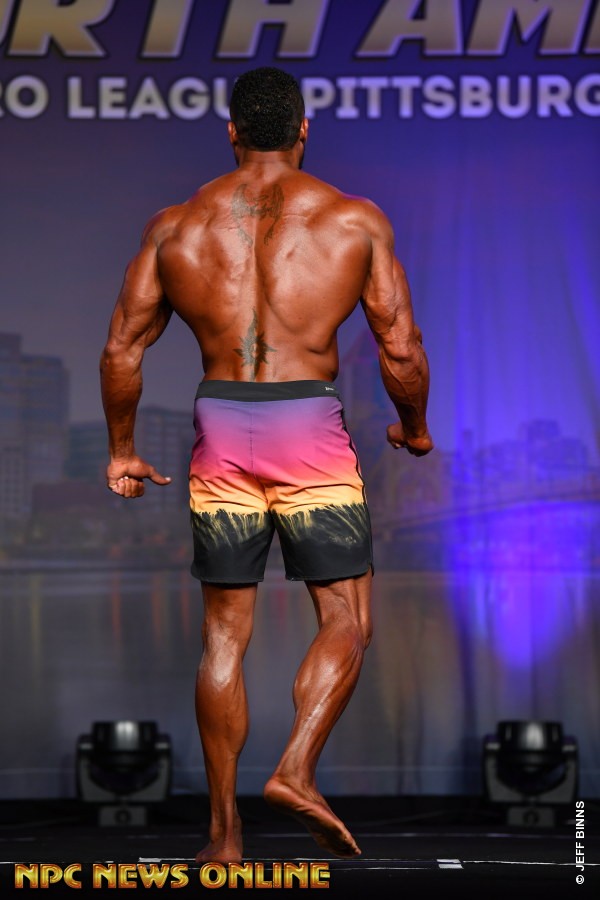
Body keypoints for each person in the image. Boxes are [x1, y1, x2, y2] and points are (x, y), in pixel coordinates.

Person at [100, 67, 433, 864]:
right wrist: (414, 429)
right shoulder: (353, 220)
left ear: (231, 132)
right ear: (304, 129)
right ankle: (295, 769)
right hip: (306, 423)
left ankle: (224, 837)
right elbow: (399, 346)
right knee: (346, 618)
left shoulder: (175, 227)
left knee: (223, 637)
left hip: (222, 424)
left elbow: (121, 349)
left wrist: (122, 448)